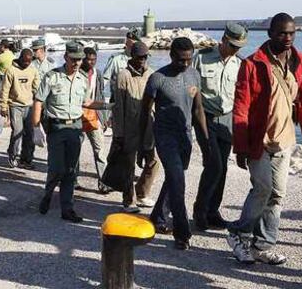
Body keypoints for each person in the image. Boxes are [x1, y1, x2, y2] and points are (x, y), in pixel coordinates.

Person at [227, 13, 302, 265]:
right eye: (282, 33)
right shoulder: (252, 64)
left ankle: (262, 245)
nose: (287, 38)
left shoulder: (301, 63)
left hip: (285, 140)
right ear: (270, 33)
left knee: (278, 195)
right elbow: (241, 107)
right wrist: (240, 147)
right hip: (259, 141)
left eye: (292, 33)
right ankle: (238, 233)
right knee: (263, 188)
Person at [140, 37, 210, 250]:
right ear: (171, 56)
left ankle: (157, 215)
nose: (185, 64)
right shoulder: (157, 78)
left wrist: (205, 141)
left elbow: (198, 110)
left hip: (185, 137)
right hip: (164, 136)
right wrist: (145, 146)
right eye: (181, 60)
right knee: (178, 181)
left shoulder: (194, 75)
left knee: (174, 178)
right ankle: (182, 232)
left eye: (189, 59)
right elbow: (144, 114)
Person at [32, 42, 111, 223]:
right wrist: (36, 127)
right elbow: (38, 101)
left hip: (75, 128)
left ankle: (67, 208)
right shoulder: (52, 77)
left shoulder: (82, 79)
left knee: (70, 170)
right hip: (57, 128)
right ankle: (48, 193)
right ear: (66, 57)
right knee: (56, 167)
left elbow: (87, 102)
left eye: (79, 60)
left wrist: (108, 105)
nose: (76, 63)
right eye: (73, 59)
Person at [192, 23, 248, 231]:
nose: (235, 50)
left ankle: (212, 211)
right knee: (213, 164)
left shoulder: (239, 64)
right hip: (204, 117)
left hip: (227, 119)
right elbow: (191, 87)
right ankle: (200, 211)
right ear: (223, 40)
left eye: (239, 46)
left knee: (222, 167)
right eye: (232, 45)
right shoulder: (202, 57)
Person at [111, 41, 159, 212]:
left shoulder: (152, 74)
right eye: (140, 57)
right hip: (129, 126)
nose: (143, 60)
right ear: (132, 56)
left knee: (154, 161)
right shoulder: (123, 75)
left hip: (149, 126)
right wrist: (119, 133)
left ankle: (142, 192)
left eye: (145, 57)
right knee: (128, 164)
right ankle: (128, 200)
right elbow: (118, 106)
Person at [75, 47, 110, 193]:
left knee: (100, 150)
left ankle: (104, 182)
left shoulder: (98, 74)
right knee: (75, 150)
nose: (91, 62)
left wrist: (105, 118)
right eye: (88, 59)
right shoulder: (75, 74)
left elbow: (101, 94)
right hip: (77, 116)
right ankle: (73, 180)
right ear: (82, 59)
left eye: (94, 59)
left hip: (94, 115)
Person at [0, 49, 40, 169]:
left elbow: (37, 88)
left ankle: (26, 159)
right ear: (20, 58)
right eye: (25, 61)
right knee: (17, 132)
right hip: (15, 106)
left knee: (30, 134)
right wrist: (3, 106)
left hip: (29, 106)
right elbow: (4, 90)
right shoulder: (11, 70)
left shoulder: (33, 70)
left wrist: (40, 104)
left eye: (29, 61)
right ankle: (12, 155)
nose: (27, 63)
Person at [103, 27, 140, 103]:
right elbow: (105, 79)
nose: (132, 46)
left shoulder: (140, 61)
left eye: (134, 44)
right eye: (130, 43)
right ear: (126, 43)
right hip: (117, 98)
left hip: (135, 98)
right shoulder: (115, 59)